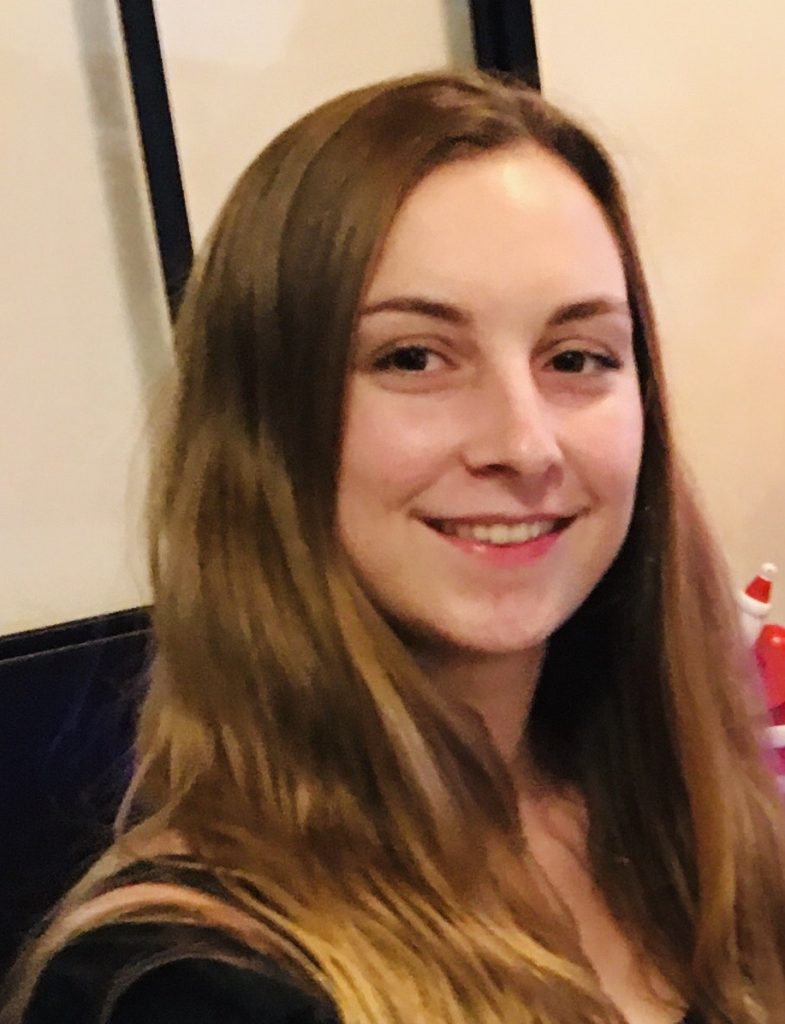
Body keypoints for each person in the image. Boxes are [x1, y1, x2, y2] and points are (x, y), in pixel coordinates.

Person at [3, 69, 785, 1024]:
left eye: (575, 357)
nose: (524, 444)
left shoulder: (689, 824)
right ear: (264, 429)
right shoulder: (179, 985)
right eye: (412, 358)